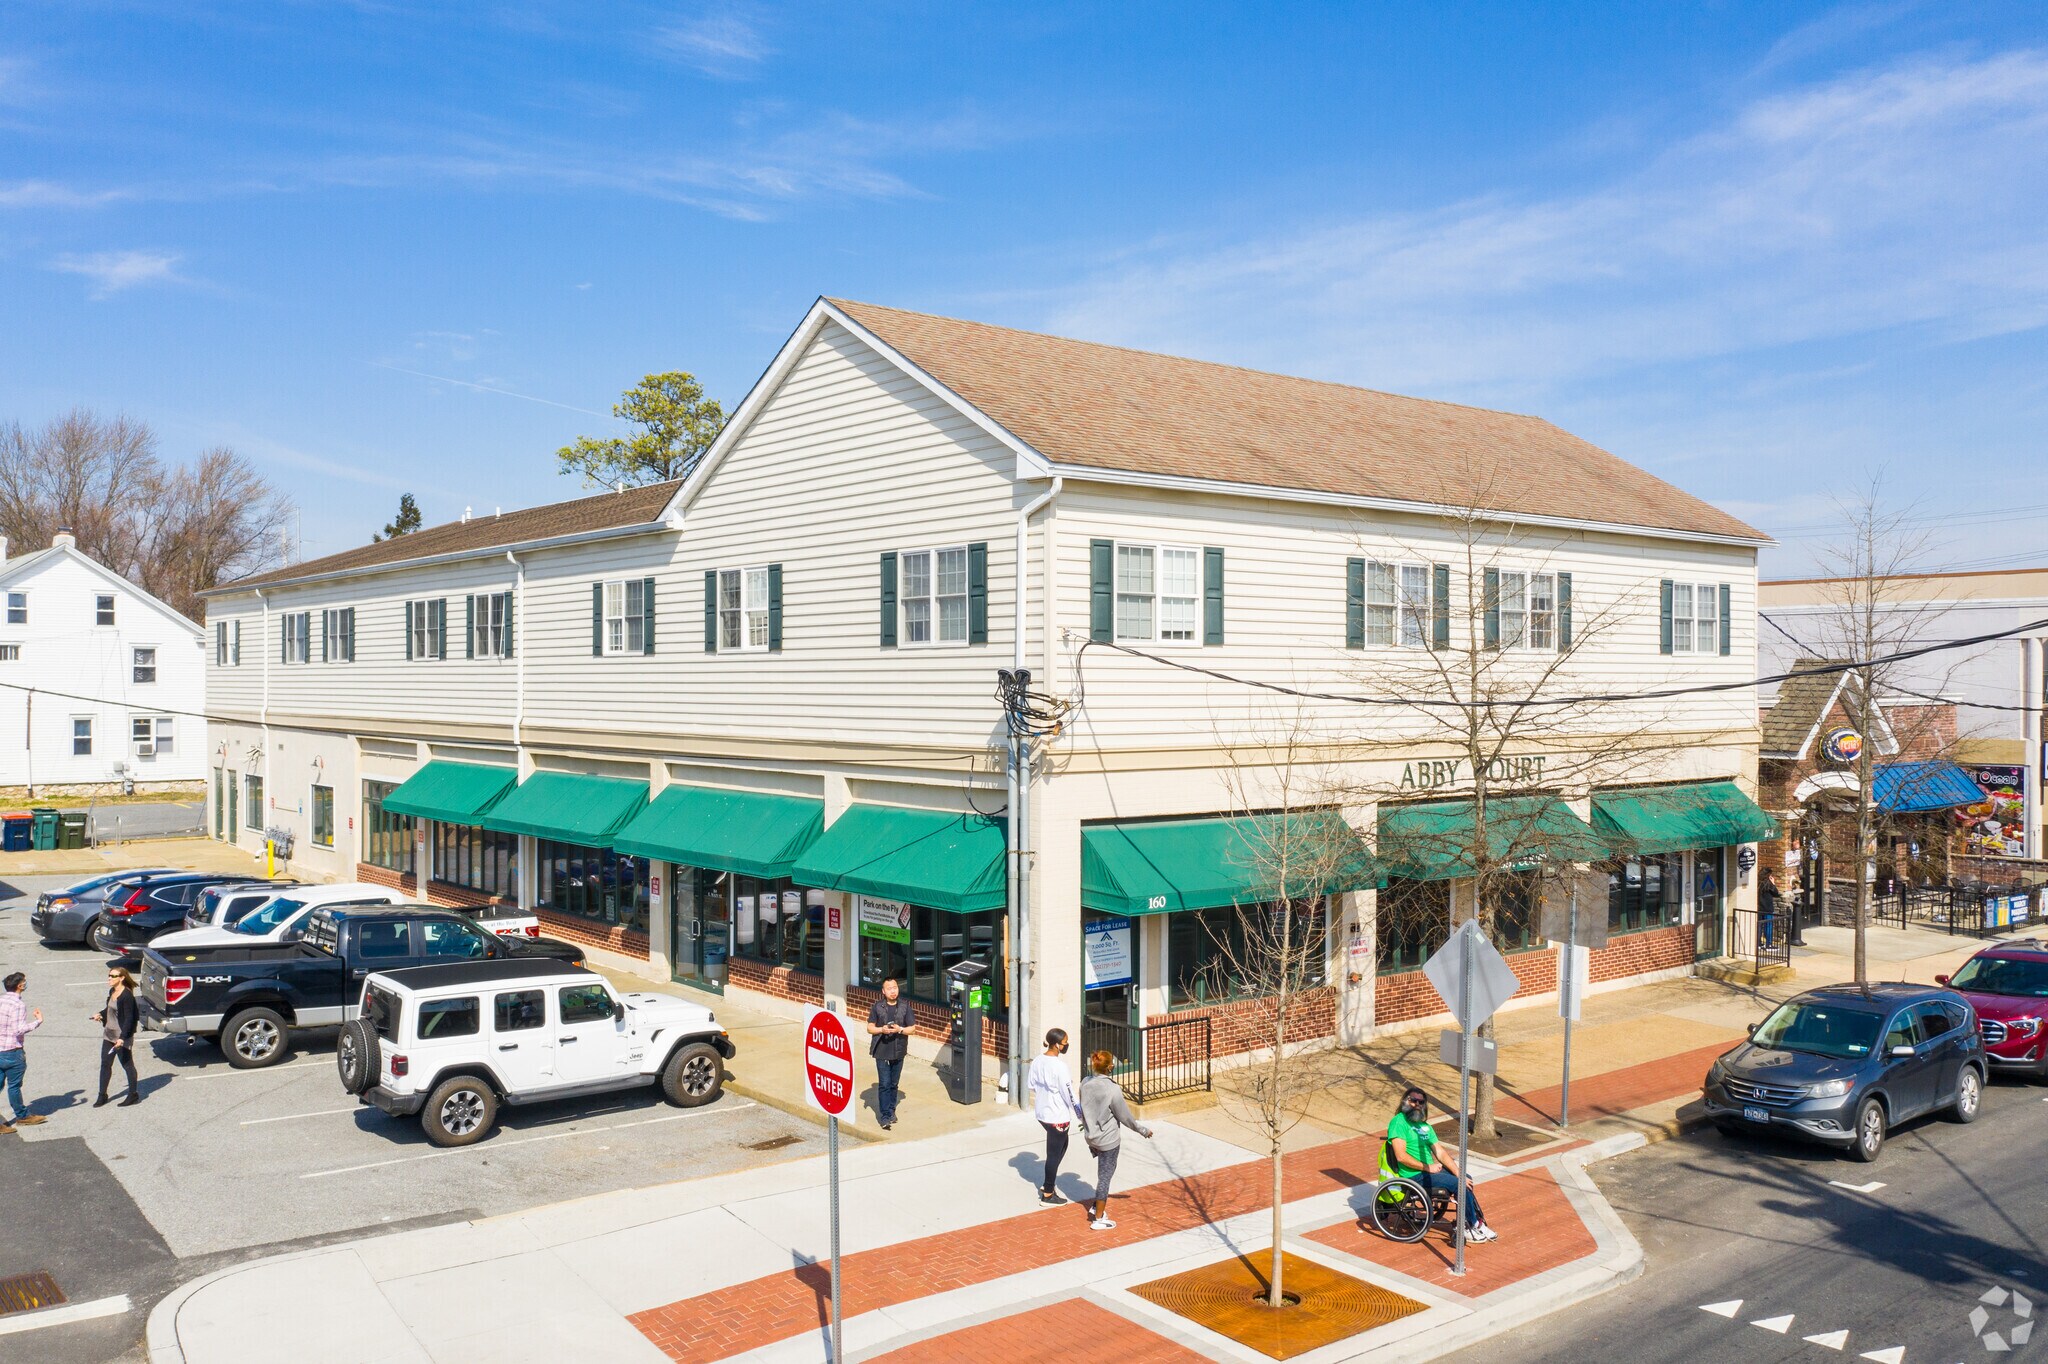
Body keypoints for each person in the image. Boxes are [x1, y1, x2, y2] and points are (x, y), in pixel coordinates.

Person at [1379, 1086, 1495, 1243]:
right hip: (1413, 1175)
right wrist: (1429, 1167)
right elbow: (1401, 1157)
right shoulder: (1399, 1122)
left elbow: (1440, 1153)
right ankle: (1469, 1225)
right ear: (1405, 1101)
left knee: (1465, 1178)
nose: (1417, 1104)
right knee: (1459, 1184)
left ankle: (1475, 1221)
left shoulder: (1425, 1126)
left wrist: (1458, 1172)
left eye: (1421, 1102)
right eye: (1413, 1100)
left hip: (1429, 1172)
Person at [1079, 1050, 1153, 1230]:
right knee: (1105, 1177)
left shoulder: (1085, 1083)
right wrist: (1142, 1130)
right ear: (1110, 1067)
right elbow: (1124, 1116)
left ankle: (1097, 1205)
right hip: (1108, 1140)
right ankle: (1098, 1218)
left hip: (1091, 1137)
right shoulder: (1112, 1089)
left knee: (1102, 1172)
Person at [1027, 1027, 1080, 1205]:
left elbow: (1031, 1085)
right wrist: (1079, 1113)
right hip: (1057, 1115)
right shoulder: (1060, 1067)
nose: (1066, 1046)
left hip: (1042, 1113)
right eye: (1065, 1043)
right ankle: (1048, 1193)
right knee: (1054, 1154)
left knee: (1061, 1146)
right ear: (1057, 1045)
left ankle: (1048, 1183)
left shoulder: (1037, 1061)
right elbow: (1069, 1094)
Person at [0, 970, 47, 1134]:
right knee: (13, 1086)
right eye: (24, 981)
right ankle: (22, 1116)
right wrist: (37, 1022)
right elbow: (18, 1030)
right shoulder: (18, 1005)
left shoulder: (1, 1000)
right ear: (20, 985)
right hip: (12, 1052)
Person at [864, 977, 914, 1130]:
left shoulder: (905, 1007)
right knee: (884, 1084)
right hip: (882, 1050)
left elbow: (912, 1028)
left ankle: (892, 1111)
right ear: (883, 991)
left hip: (898, 1050)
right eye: (889, 988)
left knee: (894, 1083)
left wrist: (900, 1029)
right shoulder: (878, 1007)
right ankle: (884, 1116)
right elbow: (870, 1027)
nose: (893, 991)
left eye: (895, 987)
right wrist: (881, 1029)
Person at [93, 966, 142, 1108]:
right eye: (109, 975)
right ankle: (102, 1095)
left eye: (113, 976)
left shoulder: (126, 996)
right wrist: (100, 1014)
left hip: (121, 1036)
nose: (109, 978)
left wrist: (123, 1038)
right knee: (105, 1064)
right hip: (109, 1034)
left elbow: (130, 1019)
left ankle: (133, 1094)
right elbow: (110, 1009)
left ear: (121, 978)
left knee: (127, 1065)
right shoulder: (112, 991)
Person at [1758, 869, 1782, 950]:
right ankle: (1769, 944)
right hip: (1767, 908)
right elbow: (1776, 893)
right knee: (1768, 926)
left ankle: (1758, 943)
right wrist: (1773, 883)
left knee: (1759, 926)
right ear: (1768, 875)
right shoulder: (1768, 884)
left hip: (1759, 908)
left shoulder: (1758, 882)